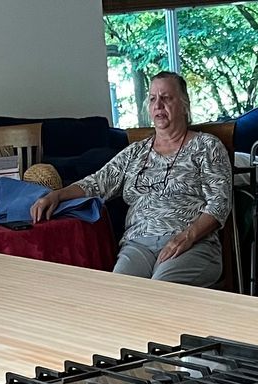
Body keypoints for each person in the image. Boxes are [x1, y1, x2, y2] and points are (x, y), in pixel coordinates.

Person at [30, 72, 231, 288]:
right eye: (153, 99)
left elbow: (219, 204)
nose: (158, 105)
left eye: (167, 98)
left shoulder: (207, 146)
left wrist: (187, 236)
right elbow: (97, 182)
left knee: (160, 289)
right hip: (138, 244)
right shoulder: (135, 152)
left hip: (191, 242)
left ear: (184, 105)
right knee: (119, 292)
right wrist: (57, 194)